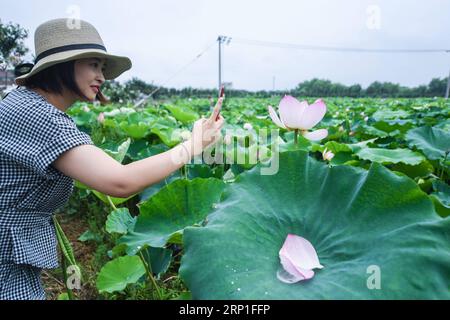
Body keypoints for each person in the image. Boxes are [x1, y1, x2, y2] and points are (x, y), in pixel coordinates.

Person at [0, 18, 225, 300]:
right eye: (94, 64)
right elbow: (119, 182)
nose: (102, 77)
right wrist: (192, 146)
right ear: (62, 65)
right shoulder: (38, 115)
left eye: (102, 68)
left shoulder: (25, 104)